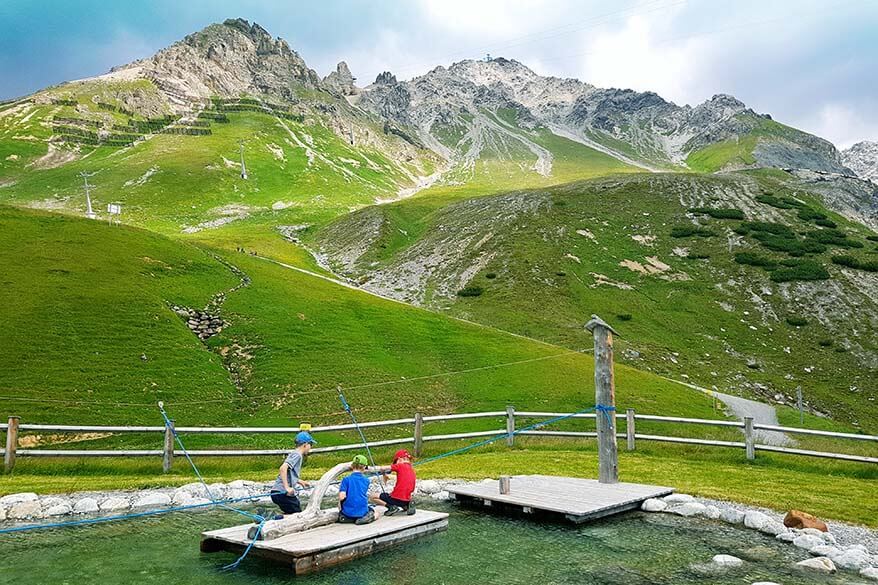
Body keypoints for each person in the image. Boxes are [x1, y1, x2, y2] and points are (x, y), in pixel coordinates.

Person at [269, 430, 315, 515]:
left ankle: (275, 517)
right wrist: (287, 488)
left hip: (277, 492)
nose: (310, 447)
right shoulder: (297, 455)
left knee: (292, 511)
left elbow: (290, 472)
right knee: (297, 513)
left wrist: (300, 481)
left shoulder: (295, 454)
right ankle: (271, 517)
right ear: (305, 444)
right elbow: (283, 469)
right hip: (282, 492)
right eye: (310, 445)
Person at [370, 449, 416, 516]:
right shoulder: (411, 469)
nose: (395, 464)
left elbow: (383, 468)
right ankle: (407, 505)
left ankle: (391, 507)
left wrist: (367, 468)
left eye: (395, 462)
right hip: (407, 498)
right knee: (401, 496)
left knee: (372, 496)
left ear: (399, 459)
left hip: (396, 499)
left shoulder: (400, 465)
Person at [338, 454, 375, 525]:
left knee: (341, 497)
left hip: (347, 513)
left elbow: (342, 497)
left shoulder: (346, 479)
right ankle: (366, 518)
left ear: (352, 466)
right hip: (362, 512)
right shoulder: (366, 480)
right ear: (364, 467)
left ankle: (343, 516)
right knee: (375, 512)